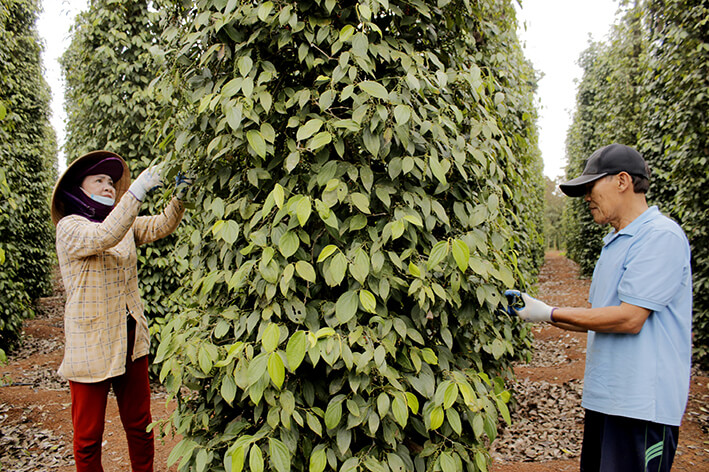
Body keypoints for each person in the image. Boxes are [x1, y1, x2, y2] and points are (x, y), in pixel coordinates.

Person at [506, 143, 692, 472]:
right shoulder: (614, 242)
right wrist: (536, 312)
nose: (587, 198)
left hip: (641, 408)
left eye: (591, 187)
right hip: (606, 401)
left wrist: (548, 312)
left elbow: (629, 318)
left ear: (622, 181)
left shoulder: (661, 237)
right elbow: (597, 317)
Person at [50, 150, 189, 472]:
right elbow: (103, 236)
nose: (109, 186)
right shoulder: (71, 227)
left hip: (130, 340)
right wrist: (138, 190)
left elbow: (161, 225)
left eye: (112, 182)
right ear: (78, 189)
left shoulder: (124, 225)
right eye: (98, 180)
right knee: (88, 436)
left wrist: (181, 194)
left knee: (140, 425)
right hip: (90, 343)